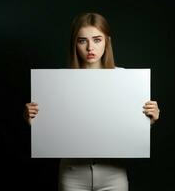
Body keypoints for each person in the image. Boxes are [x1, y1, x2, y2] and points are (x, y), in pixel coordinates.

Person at [24, 12, 160, 191]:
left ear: (107, 42)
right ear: (75, 43)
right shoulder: (56, 84)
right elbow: (54, 129)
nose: (90, 47)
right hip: (72, 173)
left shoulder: (126, 79)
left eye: (97, 39)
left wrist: (149, 120)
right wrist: (34, 121)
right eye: (82, 40)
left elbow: (129, 129)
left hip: (113, 173)